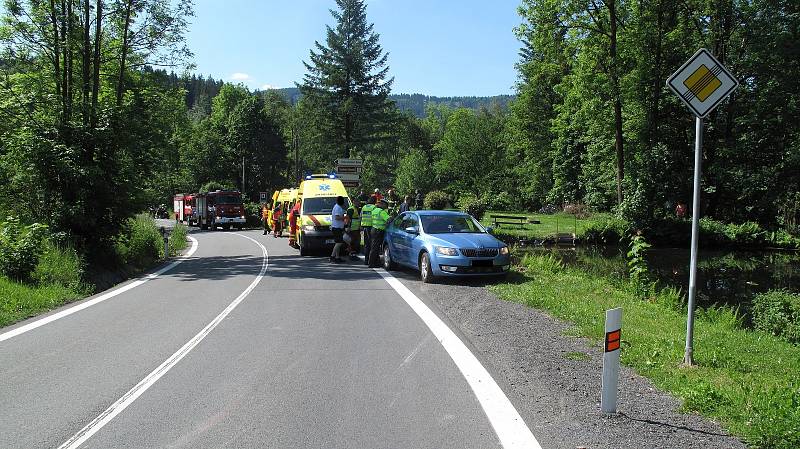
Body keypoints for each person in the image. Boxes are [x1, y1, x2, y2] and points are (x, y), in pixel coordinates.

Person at [368, 199, 391, 268]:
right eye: (386, 206)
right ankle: (372, 263)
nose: (386, 207)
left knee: (374, 247)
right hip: (378, 231)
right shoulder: (381, 212)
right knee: (375, 248)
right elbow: (388, 219)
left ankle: (376, 262)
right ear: (383, 204)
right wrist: (392, 217)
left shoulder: (374, 210)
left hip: (374, 229)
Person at [330, 196, 346, 263]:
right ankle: (332, 256)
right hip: (337, 228)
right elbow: (337, 217)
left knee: (337, 243)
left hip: (338, 227)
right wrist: (345, 217)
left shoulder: (338, 207)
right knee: (339, 243)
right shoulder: (337, 208)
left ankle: (337, 257)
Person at [360, 197, 375, 265]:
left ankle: (366, 261)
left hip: (364, 227)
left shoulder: (364, 207)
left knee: (366, 244)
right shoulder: (374, 207)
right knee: (372, 244)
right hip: (371, 227)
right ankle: (371, 261)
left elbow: (361, 216)